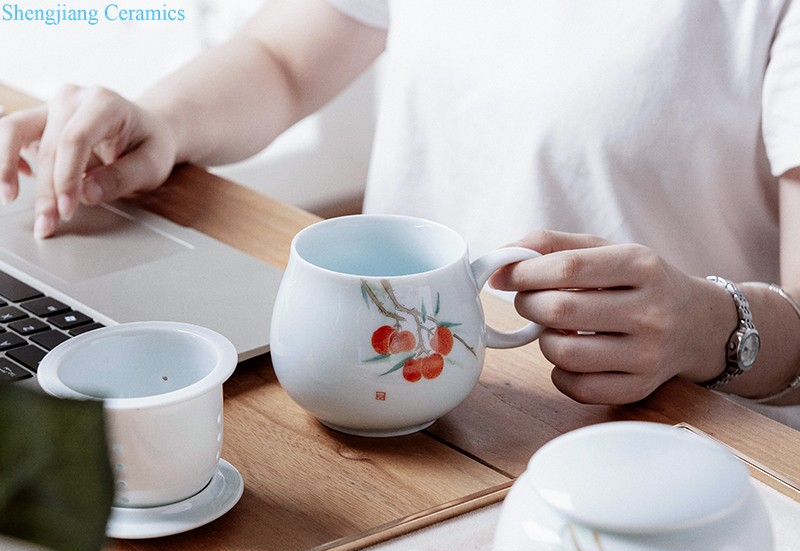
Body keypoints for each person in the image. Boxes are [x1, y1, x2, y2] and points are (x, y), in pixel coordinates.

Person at [1, 0, 799, 421]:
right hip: (403, 403)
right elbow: (279, 61)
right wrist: (162, 117)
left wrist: (712, 326)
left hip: (661, 441)